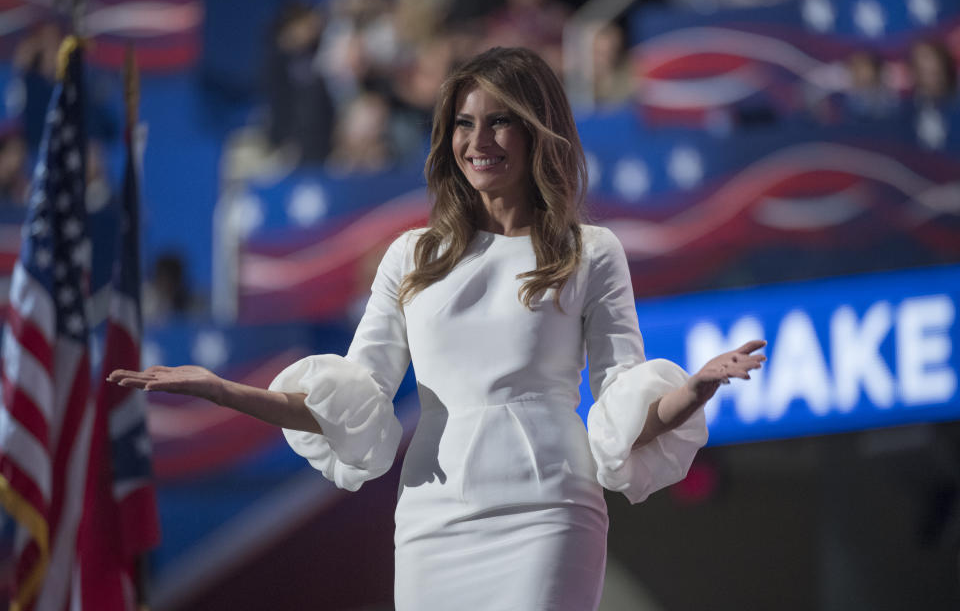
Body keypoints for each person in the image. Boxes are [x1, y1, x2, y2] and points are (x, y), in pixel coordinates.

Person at [109, 47, 765, 610]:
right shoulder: (410, 256)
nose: (478, 141)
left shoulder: (590, 250)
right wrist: (224, 391)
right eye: (464, 124)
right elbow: (352, 402)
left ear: (539, 131)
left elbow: (626, 405)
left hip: (548, 511)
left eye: (500, 121)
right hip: (434, 521)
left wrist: (697, 389)